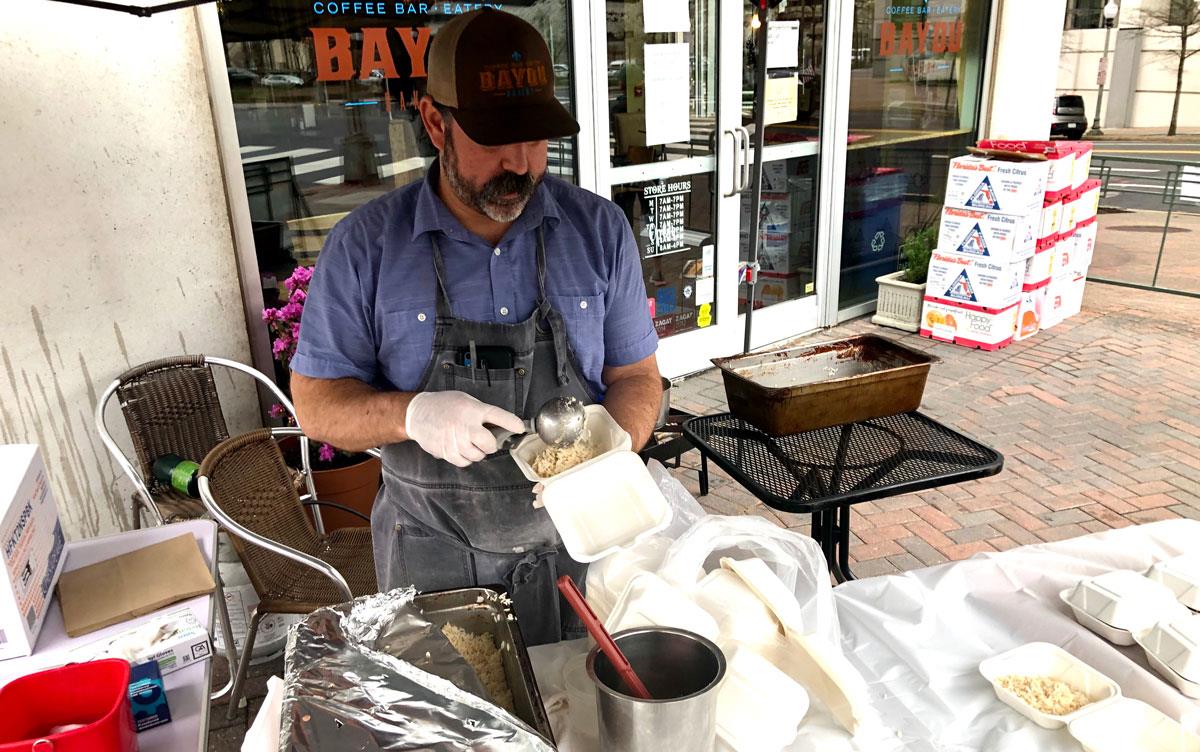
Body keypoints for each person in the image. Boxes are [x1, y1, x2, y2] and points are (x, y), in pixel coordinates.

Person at [289, 8, 662, 646]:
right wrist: (411, 416)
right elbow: (317, 407)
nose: (522, 161)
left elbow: (636, 377)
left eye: (538, 137)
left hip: (581, 554)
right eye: (495, 138)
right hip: (432, 564)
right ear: (436, 122)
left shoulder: (599, 233)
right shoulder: (366, 248)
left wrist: (610, 451)